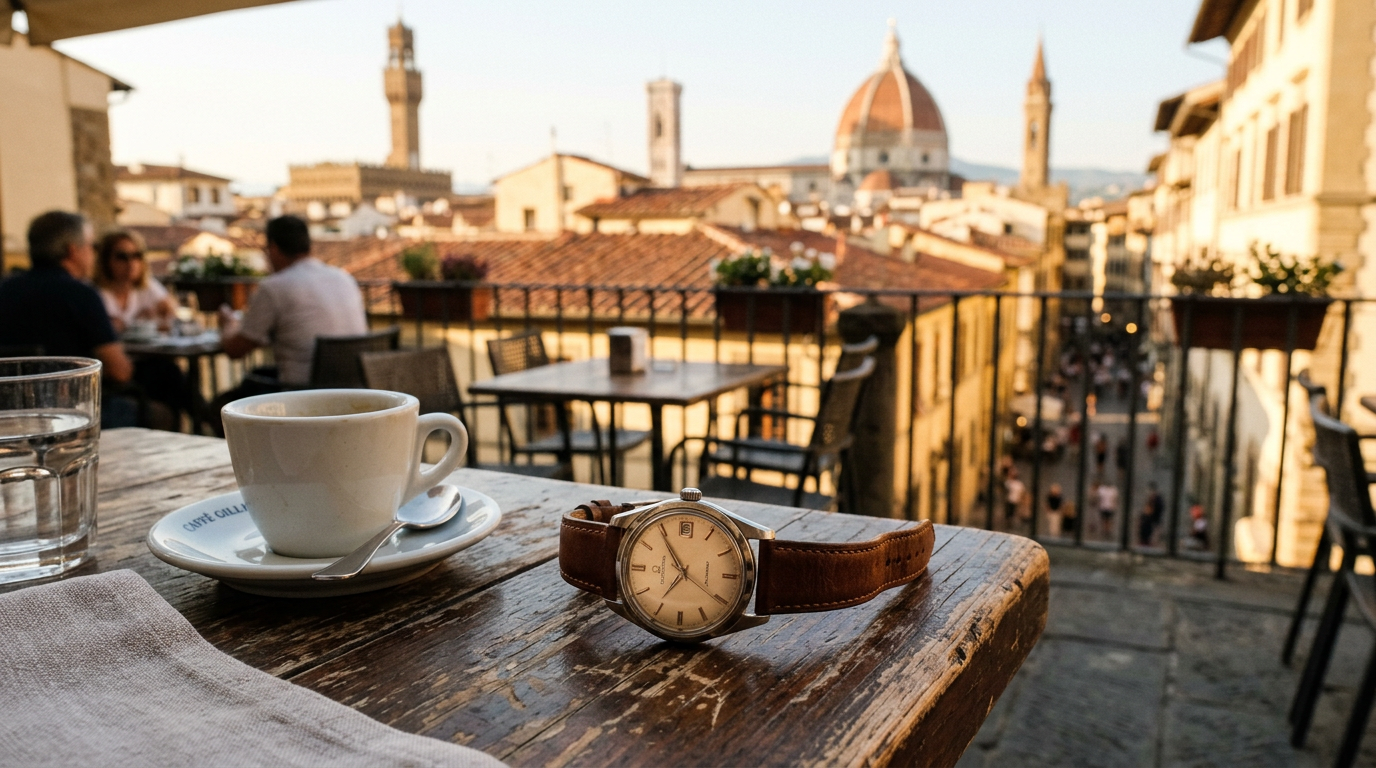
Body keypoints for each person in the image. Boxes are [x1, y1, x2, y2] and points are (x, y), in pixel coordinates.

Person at [213, 216, 367, 428]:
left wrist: (228, 323)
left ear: (274, 248)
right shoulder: (344, 278)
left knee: (221, 407)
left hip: (297, 396)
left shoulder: (274, 287)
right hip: (353, 391)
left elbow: (235, 349)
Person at [0, 211, 141, 427]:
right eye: (92, 246)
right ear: (73, 251)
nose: (93, 254)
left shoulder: (5, 290)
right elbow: (120, 372)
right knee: (159, 410)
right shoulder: (81, 295)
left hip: (10, 416)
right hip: (70, 416)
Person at [94, 230, 177, 334]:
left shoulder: (147, 286)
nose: (131, 262)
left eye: (136, 255)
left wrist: (160, 316)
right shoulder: (94, 292)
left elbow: (170, 312)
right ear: (105, 260)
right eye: (122, 256)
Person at [1139, 482, 1165, 546]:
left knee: (1153, 536)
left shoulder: (1157, 499)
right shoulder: (1153, 499)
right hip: (1150, 521)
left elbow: (1152, 510)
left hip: (1153, 520)